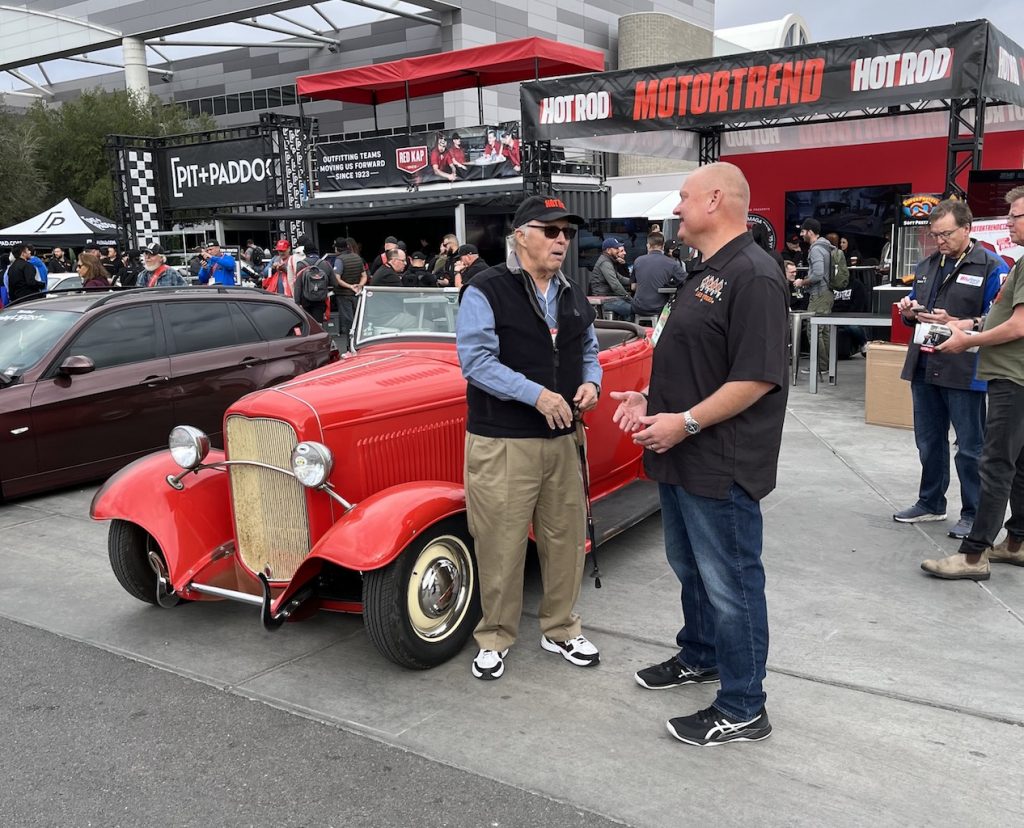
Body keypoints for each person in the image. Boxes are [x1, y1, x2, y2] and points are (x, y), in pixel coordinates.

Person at [611, 162, 788, 747]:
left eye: (684, 197)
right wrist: (646, 396)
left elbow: (757, 378)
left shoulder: (754, 276)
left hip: (720, 461)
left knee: (731, 583)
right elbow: (689, 358)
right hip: (682, 456)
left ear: (716, 200)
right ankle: (702, 654)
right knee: (692, 569)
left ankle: (743, 706)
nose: (676, 207)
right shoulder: (704, 272)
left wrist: (684, 422)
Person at [456, 193, 602, 681]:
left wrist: (591, 383)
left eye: (568, 232)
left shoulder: (574, 292)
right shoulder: (485, 288)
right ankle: (494, 635)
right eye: (550, 230)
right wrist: (537, 395)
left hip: (564, 439)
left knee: (565, 539)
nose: (562, 239)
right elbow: (476, 362)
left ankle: (560, 628)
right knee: (499, 541)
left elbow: (588, 351)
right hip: (502, 441)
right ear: (521, 236)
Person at [921, 186, 1024, 580]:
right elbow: (1000, 316)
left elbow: (1017, 325)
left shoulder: (997, 263)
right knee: (1019, 466)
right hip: (1010, 373)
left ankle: (973, 554)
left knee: (995, 464)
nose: (1009, 222)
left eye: (1016, 215)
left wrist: (968, 340)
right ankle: (1015, 542)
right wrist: (962, 323)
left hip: (1012, 377)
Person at [892, 200, 1006, 540]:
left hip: (963, 367)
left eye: (946, 234)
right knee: (928, 440)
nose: (939, 240)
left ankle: (973, 513)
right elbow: (911, 306)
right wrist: (909, 311)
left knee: (971, 447)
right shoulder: (927, 265)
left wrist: (958, 322)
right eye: (934, 234)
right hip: (925, 364)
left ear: (967, 228)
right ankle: (930, 502)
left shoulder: (991, 267)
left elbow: (997, 320)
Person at [793, 218, 834, 374]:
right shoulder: (826, 246)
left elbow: (817, 274)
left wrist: (802, 282)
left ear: (810, 231)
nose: (801, 235)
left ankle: (820, 366)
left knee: (814, 329)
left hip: (819, 295)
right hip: (827, 294)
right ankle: (825, 366)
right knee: (824, 331)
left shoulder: (816, 249)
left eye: (803, 231)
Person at [631, 231, 684, 318]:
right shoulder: (671, 263)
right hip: (660, 308)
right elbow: (686, 281)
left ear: (648, 245)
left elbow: (633, 287)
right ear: (663, 246)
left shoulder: (638, 261)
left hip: (638, 307)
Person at [332, 237, 367, 346]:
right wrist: (359, 285)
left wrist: (350, 286)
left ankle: (350, 346)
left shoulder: (339, 260)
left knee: (348, 322)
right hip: (357, 294)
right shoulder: (357, 257)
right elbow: (364, 276)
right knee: (358, 320)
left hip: (344, 295)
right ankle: (360, 343)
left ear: (337, 249)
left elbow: (337, 279)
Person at [588, 238, 633, 321]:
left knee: (632, 306)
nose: (618, 250)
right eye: (616, 248)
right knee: (632, 308)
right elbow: (615, 284)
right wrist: (627, 296)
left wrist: (633, 281)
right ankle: (627, 332)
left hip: (608, 298)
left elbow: (620, 278)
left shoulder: (609, 261)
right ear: (608, 250)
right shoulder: (605, 263)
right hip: (604, 300)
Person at [292, 242, 336, 325]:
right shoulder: (325, 264)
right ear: (316, 251)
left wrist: (297, 302)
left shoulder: (301, 265)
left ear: (305, 252)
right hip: (320, 300)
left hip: (305, 300)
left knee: (308, 324)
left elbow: (298, 286)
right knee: (318, 325)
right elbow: (335, 283)